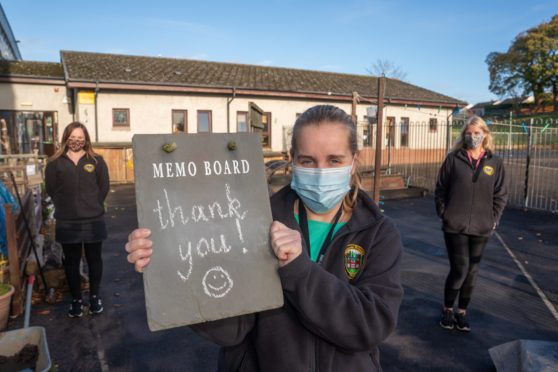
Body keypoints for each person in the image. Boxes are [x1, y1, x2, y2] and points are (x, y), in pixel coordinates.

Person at [126, 105, 403, 371]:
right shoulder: (253, 219)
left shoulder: (378, 232)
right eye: (308, 160)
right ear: (292, 159)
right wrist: (170, 267)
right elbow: (231, 331)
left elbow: (369, 326)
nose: (320, 172)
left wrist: (300, 271)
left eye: (334, 160)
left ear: (353, 161)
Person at [435, 115, 507, 332]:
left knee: (472, 271)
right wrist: (444, 213)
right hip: (454, 225)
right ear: (463, 134)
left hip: (482, 226)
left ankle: (462, 312)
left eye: (477, 133)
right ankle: (448, 308)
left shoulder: (495, 162)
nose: (472, 136)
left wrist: (493, 219)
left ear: (485, 134)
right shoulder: (453, 159)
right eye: (468, 132)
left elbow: (501, 194)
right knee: (460, 268)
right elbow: (440, 189)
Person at [45, 122, 110, 317]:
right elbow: (51, 188)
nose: (76, 141)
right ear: (66, 138)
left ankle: (94, 298)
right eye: (72, 138)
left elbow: (103, 187)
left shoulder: (96, 160)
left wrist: (93, 205)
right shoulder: (55, 163)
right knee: (71, 262)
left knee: (94, 260)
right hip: (67, 222)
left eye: (80, 138)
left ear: (86, 139)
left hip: (93, 220)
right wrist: (64, 206)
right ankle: (76, 300)